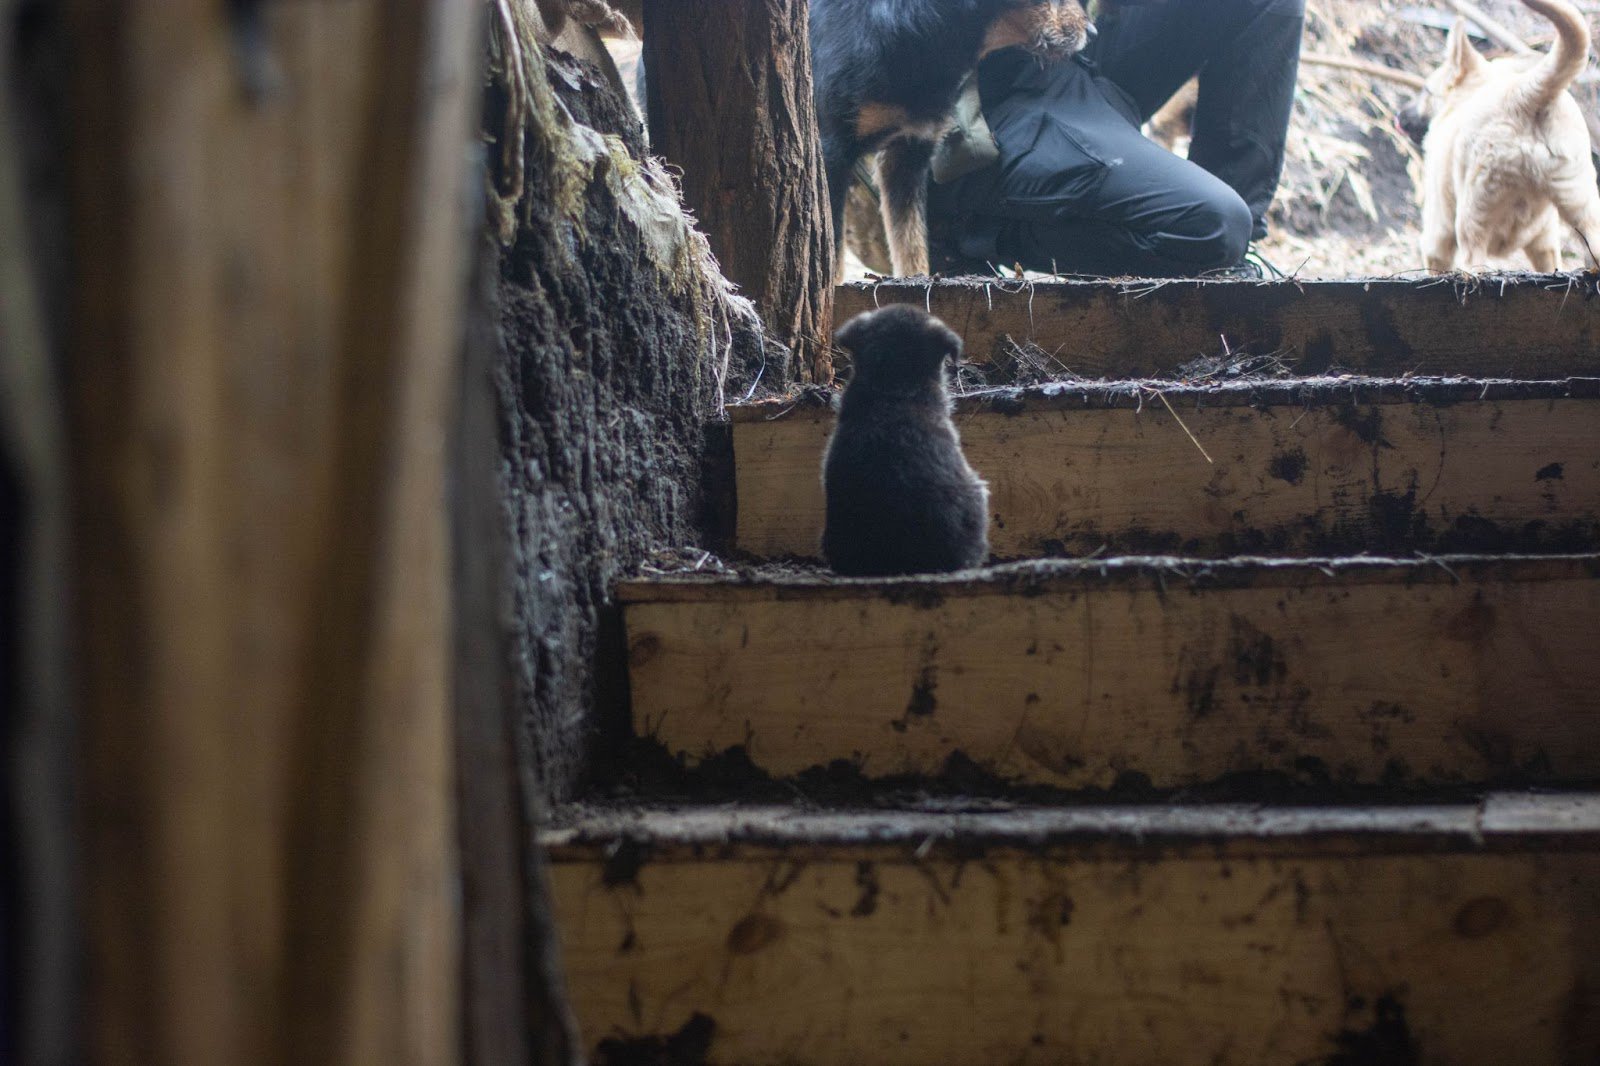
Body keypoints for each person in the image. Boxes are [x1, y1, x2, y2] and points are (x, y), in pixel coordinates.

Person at [925, 0, 1306, 278]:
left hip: (1072, 48)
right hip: (982, 108)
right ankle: (973, 230)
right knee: (1214, 227)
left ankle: (1232, 260)